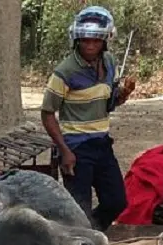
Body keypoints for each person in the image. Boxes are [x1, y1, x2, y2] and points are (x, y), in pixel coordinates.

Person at [40, 6, 135, 232]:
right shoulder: (65, 71)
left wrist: (122, 95)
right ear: (76, 40)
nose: (90, 46)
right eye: (85, 41)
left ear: (105, 41)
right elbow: (46, 114)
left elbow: (106, 104)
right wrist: (64, 151)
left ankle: (87, 235)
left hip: (102, 143)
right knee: (79, 208)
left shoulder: (109, 62)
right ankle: (80, 243)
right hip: (75, 146)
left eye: (96, 41)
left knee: (116, 201)